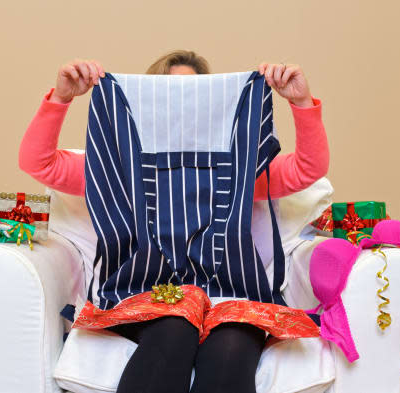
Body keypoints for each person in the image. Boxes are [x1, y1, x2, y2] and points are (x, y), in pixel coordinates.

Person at [19, 50, 329, 393]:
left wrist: (300, 102)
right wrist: (62, 97)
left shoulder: (240, 168)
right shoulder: (115, 166)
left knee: (235, 342)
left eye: (194, 96)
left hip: (229, 298)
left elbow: (307, 169)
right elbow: (40, 163)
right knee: (175, 327)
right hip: (142, 293)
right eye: (171, 94)